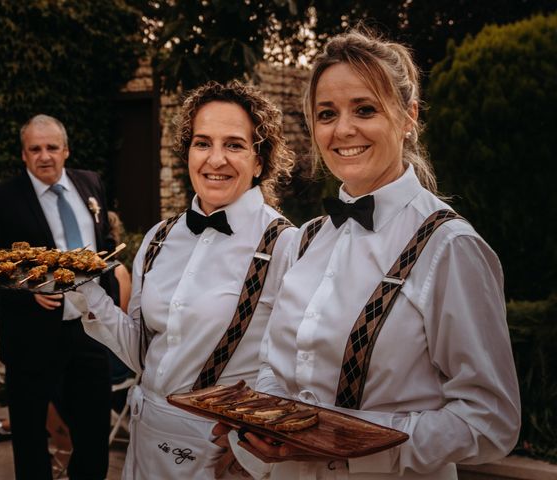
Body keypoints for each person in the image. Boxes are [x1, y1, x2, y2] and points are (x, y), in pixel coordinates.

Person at [218, 29, 521, 479]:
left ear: (409, 116)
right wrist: (264, 427)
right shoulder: (306, 239)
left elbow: (491, 419)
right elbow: (275, 363)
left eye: (365, 109)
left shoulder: (448, 246)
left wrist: (350, 446)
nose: (343, 130)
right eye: (327, 114)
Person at [69, 80, 296, 479]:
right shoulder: (159, 238)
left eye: (235, 145)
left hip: (221, 451)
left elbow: (296, 368)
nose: (216, 159)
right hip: (144, 436)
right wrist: (80, 289)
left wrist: (256, 448)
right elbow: (140, 350)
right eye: (203, 142)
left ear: (260, 161)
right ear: (187, 152)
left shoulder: (284, 245)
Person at [0, 114, 118, 480]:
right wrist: (26, 291)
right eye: (35, 149)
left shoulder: (91, 184)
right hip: (31, 337)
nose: (45, 156)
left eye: (52, 147)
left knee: (94, 430)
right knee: (29, 434)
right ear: (23, 155)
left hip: (90, 331)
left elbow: (105, 248)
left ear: (66, 150)